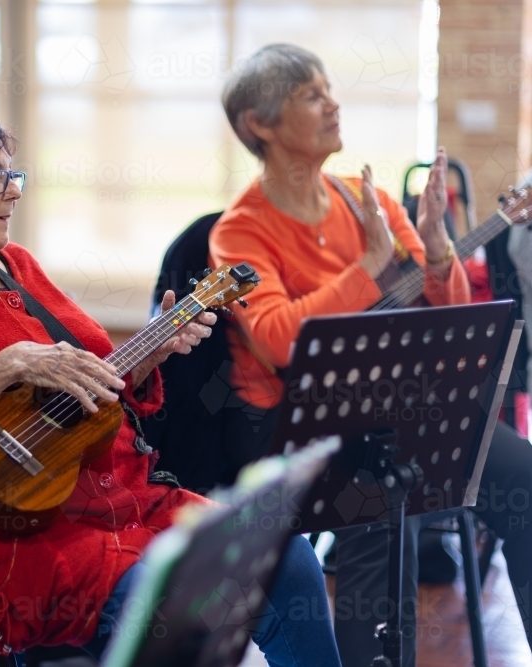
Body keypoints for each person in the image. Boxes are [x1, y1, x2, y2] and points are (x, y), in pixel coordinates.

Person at [0, 111, 342, 665]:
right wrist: (3, 367)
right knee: (159, 601)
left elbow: (88, 378)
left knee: (287, 557)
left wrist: (151, 352)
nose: (12, 192)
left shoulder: (17, 267)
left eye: (14, 175)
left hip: (115, 496)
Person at [209, 43, 532, 666]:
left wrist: (438, 249)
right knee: (380, 510)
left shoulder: (374, 203)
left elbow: (445, 310)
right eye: (311, 94)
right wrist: (366, 269)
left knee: (524, 476)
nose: (333, 104)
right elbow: (277, 339)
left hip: (397, 413)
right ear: (260, 124)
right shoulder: (240, 231)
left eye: (330, 90)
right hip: (299, 433)